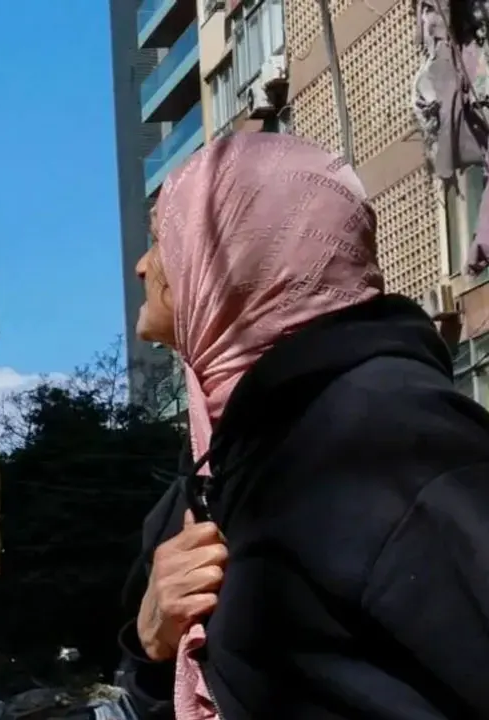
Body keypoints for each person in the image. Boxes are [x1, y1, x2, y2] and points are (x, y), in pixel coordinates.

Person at [112, 133, 489, 719]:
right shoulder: (214, 468)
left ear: (239, 259)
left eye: (164, 239)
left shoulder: (391, 438)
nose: (142, 267)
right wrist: (152, 643)